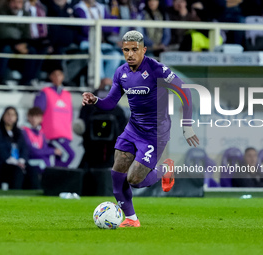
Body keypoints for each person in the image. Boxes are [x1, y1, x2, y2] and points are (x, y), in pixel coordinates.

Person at [82, 30, 199, 228]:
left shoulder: (156, 69)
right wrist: (95, 100)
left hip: (155, 132)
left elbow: (184, 91)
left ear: (144, 50)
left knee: (135, 180)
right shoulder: (121, 73)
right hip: (133, 128)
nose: (130, 54)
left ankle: (164, 170)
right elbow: (110, 102)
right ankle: (132, 220)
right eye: (126, 50)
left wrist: (187, 125)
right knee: (117, 174)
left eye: (134, 50)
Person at [77, 78, 127, 169]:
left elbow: (122, 130)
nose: (106, 89)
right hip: (91, 151)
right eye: (104, 85)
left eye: (109, 86)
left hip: (111, 152)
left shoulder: (118, 110)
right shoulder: (88, 107)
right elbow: (82, 125)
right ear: (99, 85)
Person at [34, 68, 75, 167]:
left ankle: (56, 178)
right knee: (69, 155)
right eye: (54, 74)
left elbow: (70, 115)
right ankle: (56, 176)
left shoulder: (67, 95)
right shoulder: (45, 93)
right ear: (50, 77)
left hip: (65, 135)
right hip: (51, 135)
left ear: (63, 76)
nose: (57, 77)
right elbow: (37, 113)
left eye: (59, 74)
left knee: (60, 158)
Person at [0, 107, 28, 189]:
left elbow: (25, 148)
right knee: (17, 171)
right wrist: (13, 161)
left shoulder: (19, 132)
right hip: (3, 164)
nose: (10, 117)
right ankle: (15, 195)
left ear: (16, 117)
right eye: (8, 114)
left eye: (13, 115)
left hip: (18, 163)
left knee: (32, 171)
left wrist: (22, 160)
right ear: (3, 116)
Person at [21, 107, 62, 188]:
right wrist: (52, 151)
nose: (34, 119)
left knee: (51, 163)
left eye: (37, 116)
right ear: (28, 117)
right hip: (29, 160)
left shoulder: (41, 133)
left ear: (41, 118)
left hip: (41, 159)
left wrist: (50, 151)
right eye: (32, 116)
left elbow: (44, 149)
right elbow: (32, 151)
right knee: (45, 164)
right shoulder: (24, 131)